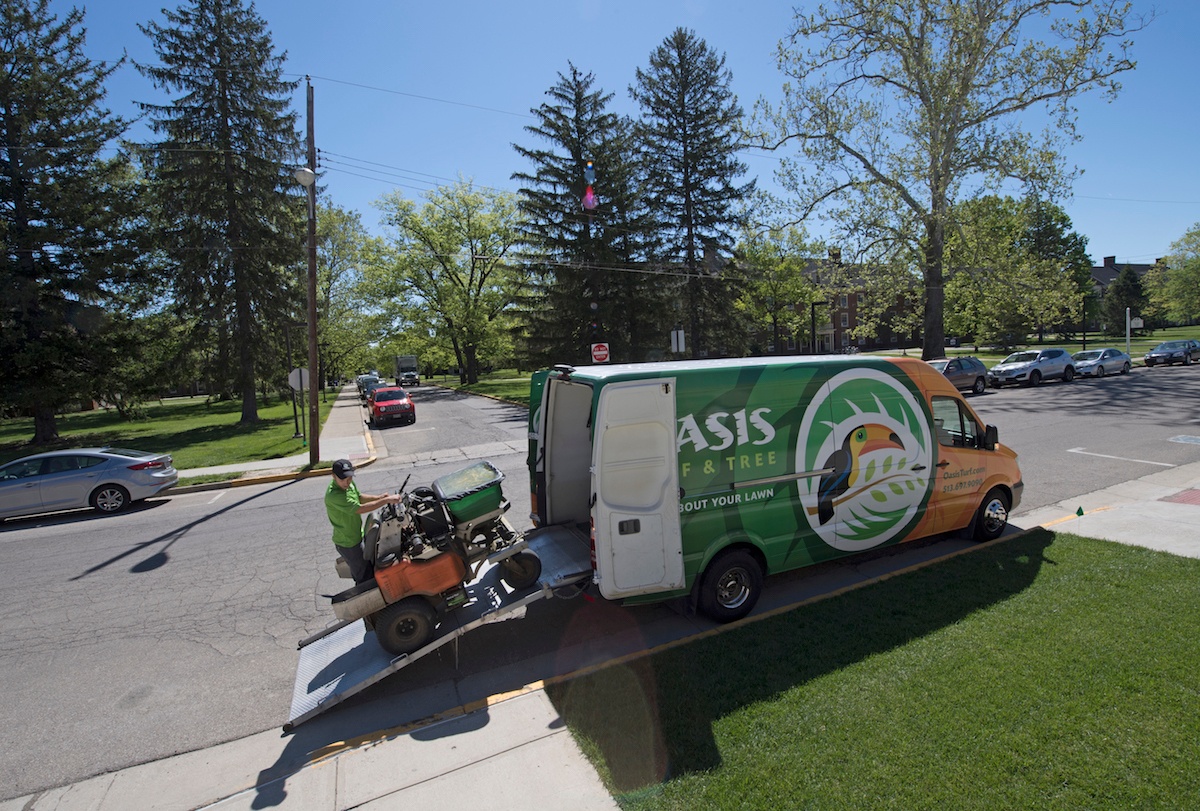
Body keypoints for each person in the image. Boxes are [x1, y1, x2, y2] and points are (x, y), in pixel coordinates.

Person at [324, 459, 401, 584]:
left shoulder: (348, 485)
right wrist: (386, 501)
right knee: (364, 577)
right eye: (342, 479)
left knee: (369, 566)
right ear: (333, 476)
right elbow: (360, 508)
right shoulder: (335, 495)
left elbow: (359, 497)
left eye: (349, 478)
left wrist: (379, 497)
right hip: (349, 543)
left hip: (357, 535)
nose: (347, 482)